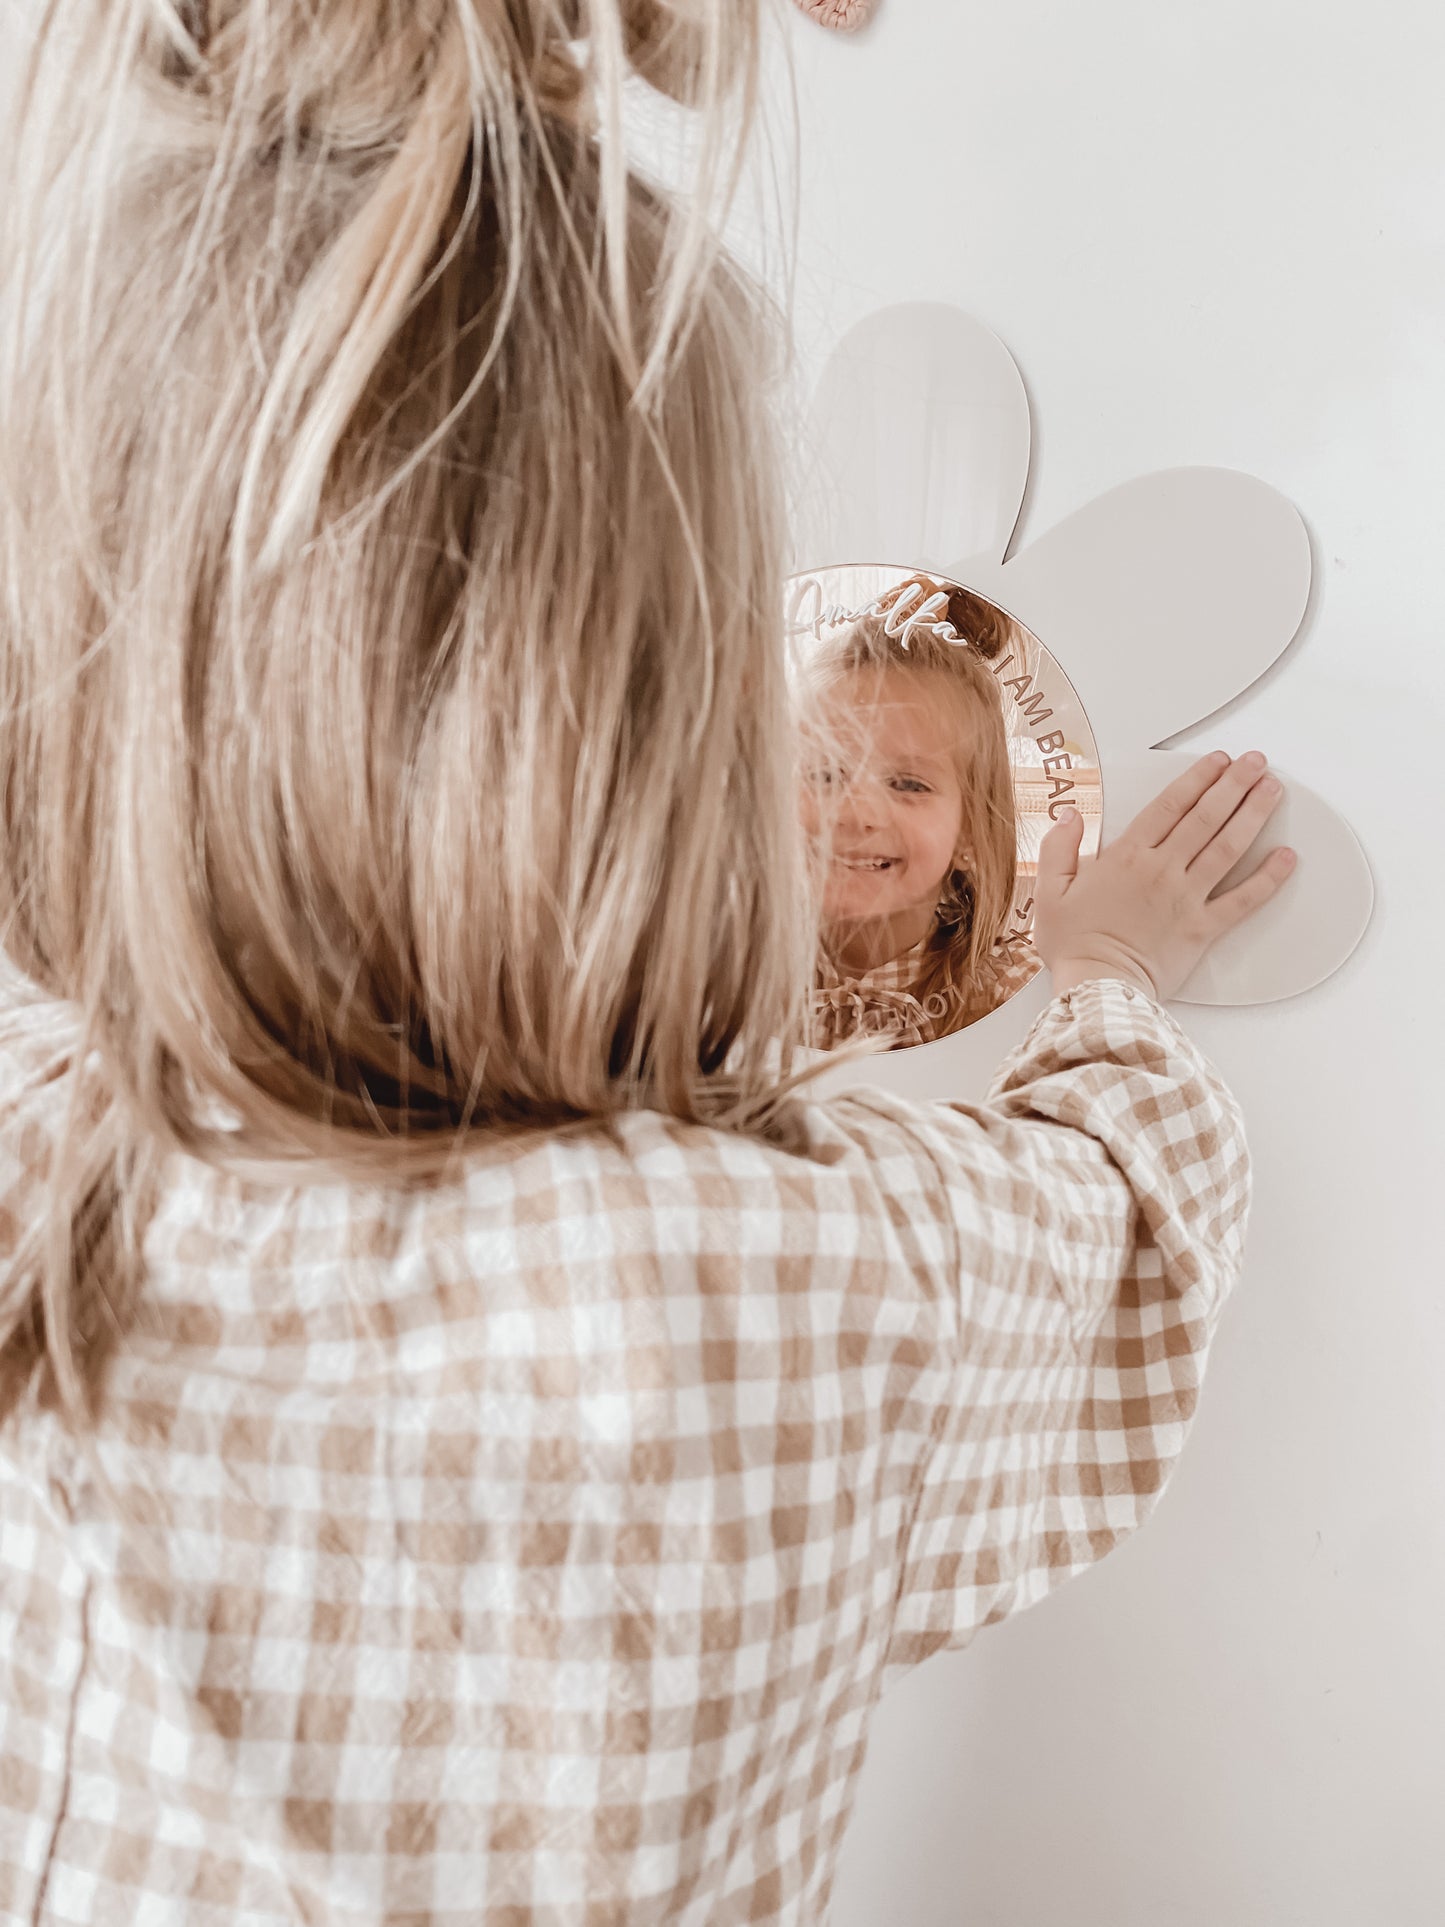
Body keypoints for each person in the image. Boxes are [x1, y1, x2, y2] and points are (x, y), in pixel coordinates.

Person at [0, 4, 1296, 1921]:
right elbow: (1124, 1222)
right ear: (688, 758)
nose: (855, 811)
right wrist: (1109, 978)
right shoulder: (791, 1273)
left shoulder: (44, 1150)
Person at [801, 575, 1044, 1051]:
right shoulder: (718, 971)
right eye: (827, 773)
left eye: (908, 784)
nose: (857, 812)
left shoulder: (1015, 995)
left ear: (969, 835)